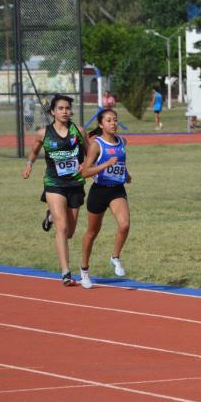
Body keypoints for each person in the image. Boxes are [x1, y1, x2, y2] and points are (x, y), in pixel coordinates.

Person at [22, 94, 88, 286]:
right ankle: (66, 272)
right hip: (54, 184)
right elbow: (34, 151)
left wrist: (86, 165)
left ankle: (49, 216)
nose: (65, 111)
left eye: (67, 108)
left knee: (69, 232)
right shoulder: (44, 133)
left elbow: (91, 152)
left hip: (75, 184)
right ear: (52, 112)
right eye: (60, 108)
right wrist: (29, 164)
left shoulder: (79, 131)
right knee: (62, 227)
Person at [77, 108, 131, 289]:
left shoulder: (122, 142)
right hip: (99, 191)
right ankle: (84, 270)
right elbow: (85, 172)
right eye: (109, 120)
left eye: (115, 119)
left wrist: (126, 174)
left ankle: (115, 257)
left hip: (117, 190)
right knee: (92, 233)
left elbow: (121, 163)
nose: (113, 123)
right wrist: (105, 165)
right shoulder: (96, 145)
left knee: (124, 225)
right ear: (101, 124)